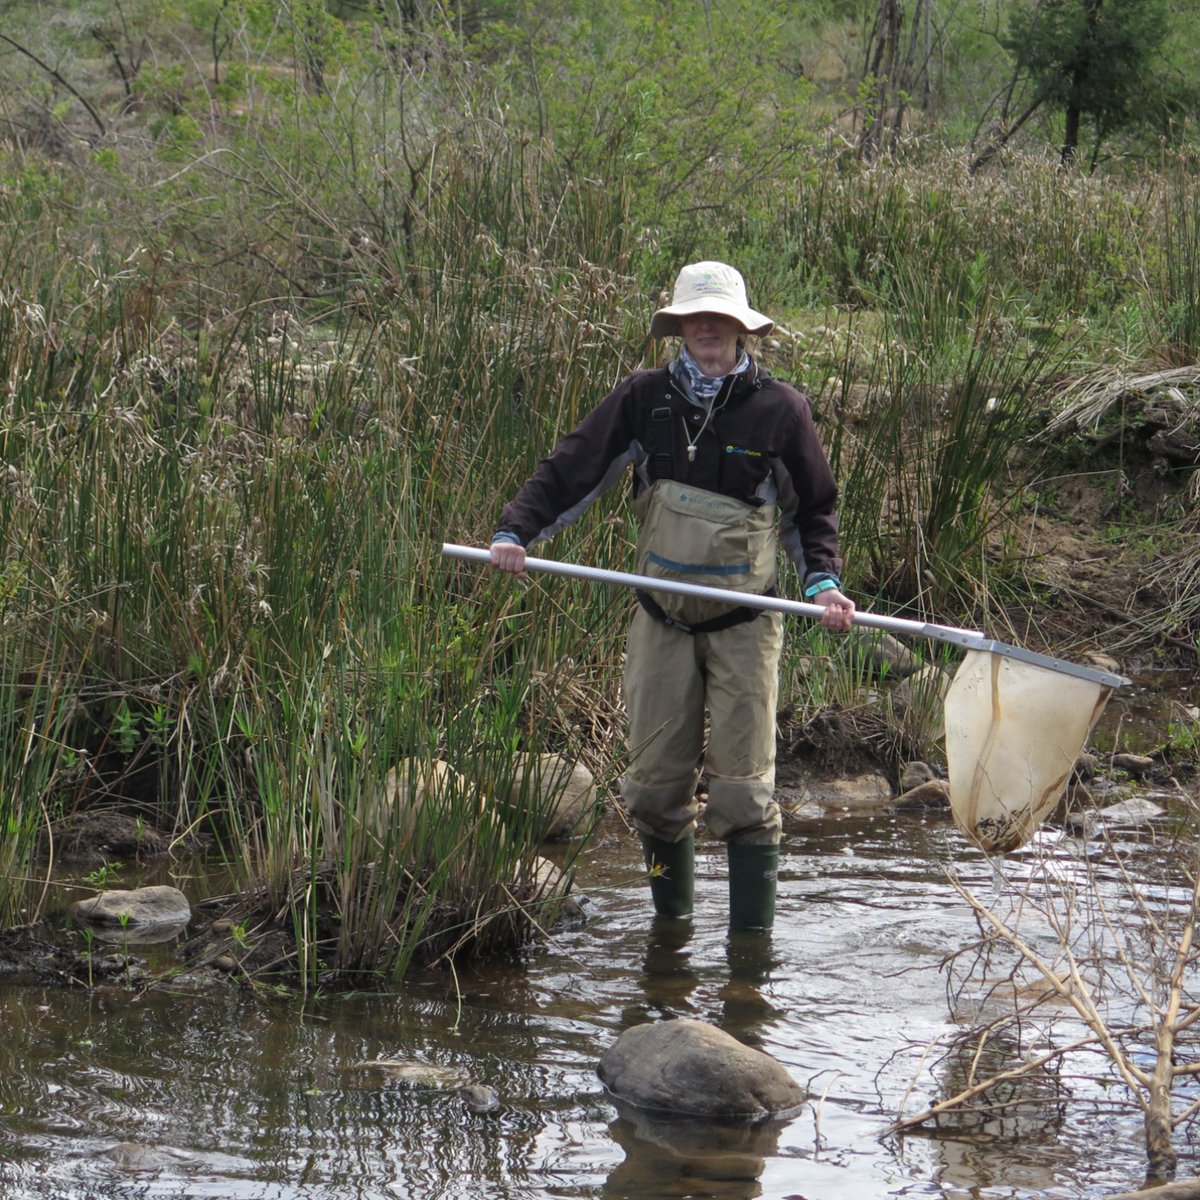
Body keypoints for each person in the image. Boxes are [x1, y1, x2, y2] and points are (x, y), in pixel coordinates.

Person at [490, 261, 854, 932]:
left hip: (748, 622)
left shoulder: (782, 410)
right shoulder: (642, 398)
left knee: (744, 797)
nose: (707, 329)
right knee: (655, 794)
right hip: (660, 622)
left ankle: (751, 956)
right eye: (695, 319)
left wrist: (824, 582)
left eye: (719, 319)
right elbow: (572, 468)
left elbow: (813, 511)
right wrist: (518, 530)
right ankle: (672, 932)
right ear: (680, 327)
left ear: (743, 329)